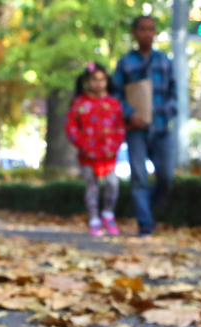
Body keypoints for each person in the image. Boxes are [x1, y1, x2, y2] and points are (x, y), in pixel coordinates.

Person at [110, 15, 176, 237]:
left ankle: (146, 207)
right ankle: (145, 224)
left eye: (152, 29)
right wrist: (130, 115)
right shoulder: (125, 63)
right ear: (135, 33)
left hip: (161, 130)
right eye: (144, 29)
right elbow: (115, 95)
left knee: (166, 177)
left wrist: (165, 113)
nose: (148, 33)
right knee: (138, 177)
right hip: (136, 131)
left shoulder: (165, 62)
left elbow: (174, 96)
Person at [65, 63, 125, 237]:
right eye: (94, 80)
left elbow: (120, 127)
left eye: (102, 80)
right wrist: (82, 143)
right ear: (87, 81)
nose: (98, 83)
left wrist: (114, 145)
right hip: (87, 155)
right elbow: (71, 126)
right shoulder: (79, 103)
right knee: (92, 187)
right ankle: (93, 219)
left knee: (112, 184)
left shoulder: (113, 103)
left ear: (107, 81)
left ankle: (108, 213)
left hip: (108, 154)